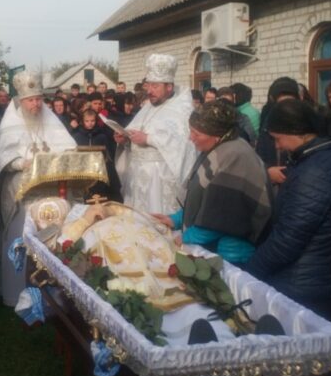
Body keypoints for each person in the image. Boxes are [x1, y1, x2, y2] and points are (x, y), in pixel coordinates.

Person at [246, 99, 331, 318]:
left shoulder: (315, 172)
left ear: (297, 132)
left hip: (301, 283)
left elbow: (288, 240)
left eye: (278, 138)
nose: (277, 146)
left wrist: (250, 273)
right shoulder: (324, 157)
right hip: (315, 275)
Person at [0, 70, 76, 307]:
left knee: (50, 239)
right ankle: (16, 292)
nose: (36, 104)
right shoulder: (10, 123)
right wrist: (20, 163)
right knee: (20, 238)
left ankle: (51, 295)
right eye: (31, 100)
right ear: (21, 101)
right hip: (22, 194)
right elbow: (2, 157)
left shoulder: (50, 120)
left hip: (49, 192)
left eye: (39, 99)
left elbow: (69, 147)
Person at [169, 101, 272, 266]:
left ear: (215, 134)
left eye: (196, 133)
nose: (190, 138)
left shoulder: (234, 157)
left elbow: (220, 217)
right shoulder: (219, 146)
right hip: (214, 244)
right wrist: (175, 220)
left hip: (231, 253)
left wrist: (183, 238)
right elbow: (205, 200)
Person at [114, 54, 196, 214]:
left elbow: (186, 143)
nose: (149, 91)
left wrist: (149, 139)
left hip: (159, 179)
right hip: (137, 176)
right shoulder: (148, 106)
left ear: (169, 87)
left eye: (155, 86)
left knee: (157, 219)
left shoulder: (182, 108)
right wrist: (125, 139)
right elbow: (135, 132)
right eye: (148, 85)